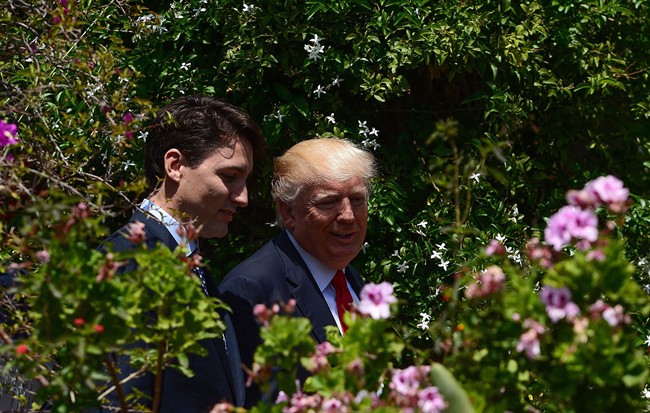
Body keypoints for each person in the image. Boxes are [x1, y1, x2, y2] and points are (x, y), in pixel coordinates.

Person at [100, 95, 263, 412]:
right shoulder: (128, 261)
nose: (243, 197)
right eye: (229, 177)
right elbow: (114, 403)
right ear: (175, 166)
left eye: (245, 180)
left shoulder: (185, 259)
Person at [219, 137, 377, 407]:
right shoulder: (252, 288)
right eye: (328, 202)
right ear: (288, 211)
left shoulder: (347, 276)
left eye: (357, 199)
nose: (348, 215)